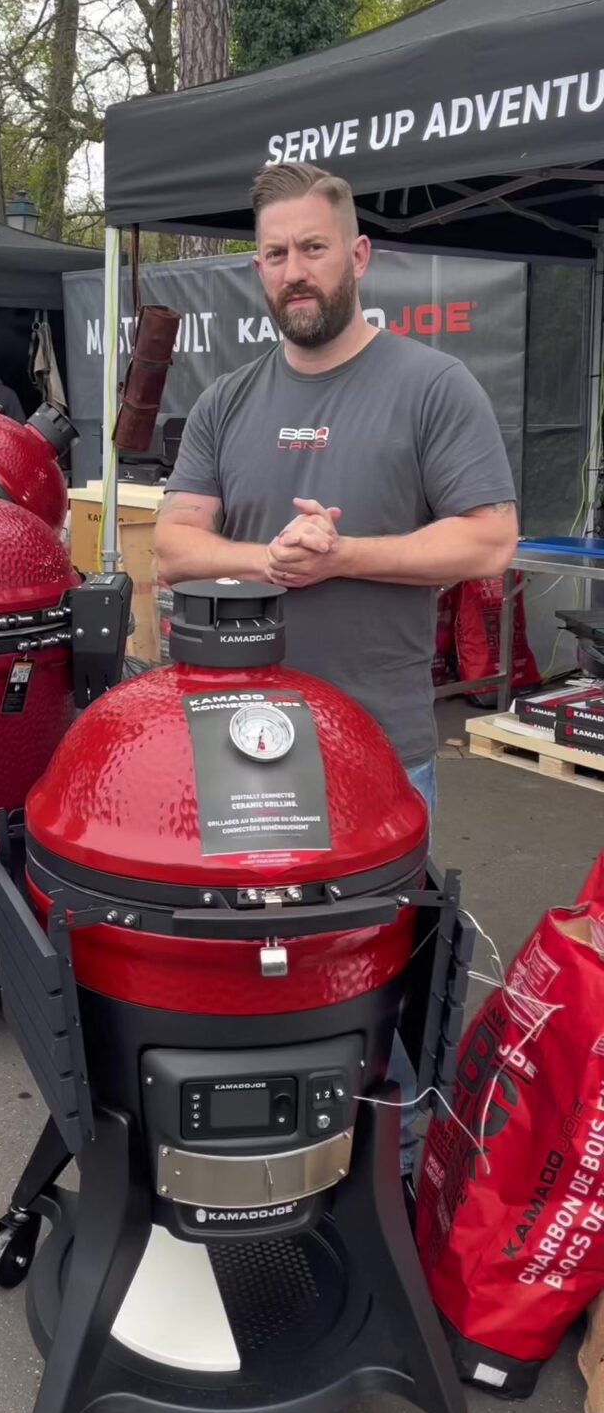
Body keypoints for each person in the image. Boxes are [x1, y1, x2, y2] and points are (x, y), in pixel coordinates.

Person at [154, 162, 518, 1188]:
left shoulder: (431, 387)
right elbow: (174, 546)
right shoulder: (228, 401)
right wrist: (269, 559)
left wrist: (347, 556)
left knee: (383, 982)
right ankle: (271, 1177)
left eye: (313, 248)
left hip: (380, 753)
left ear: (358, 256)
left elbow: (489, 539)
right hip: (239, 761)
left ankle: (400, 1186)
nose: (294, 271)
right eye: (275, 254)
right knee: (263, 984)